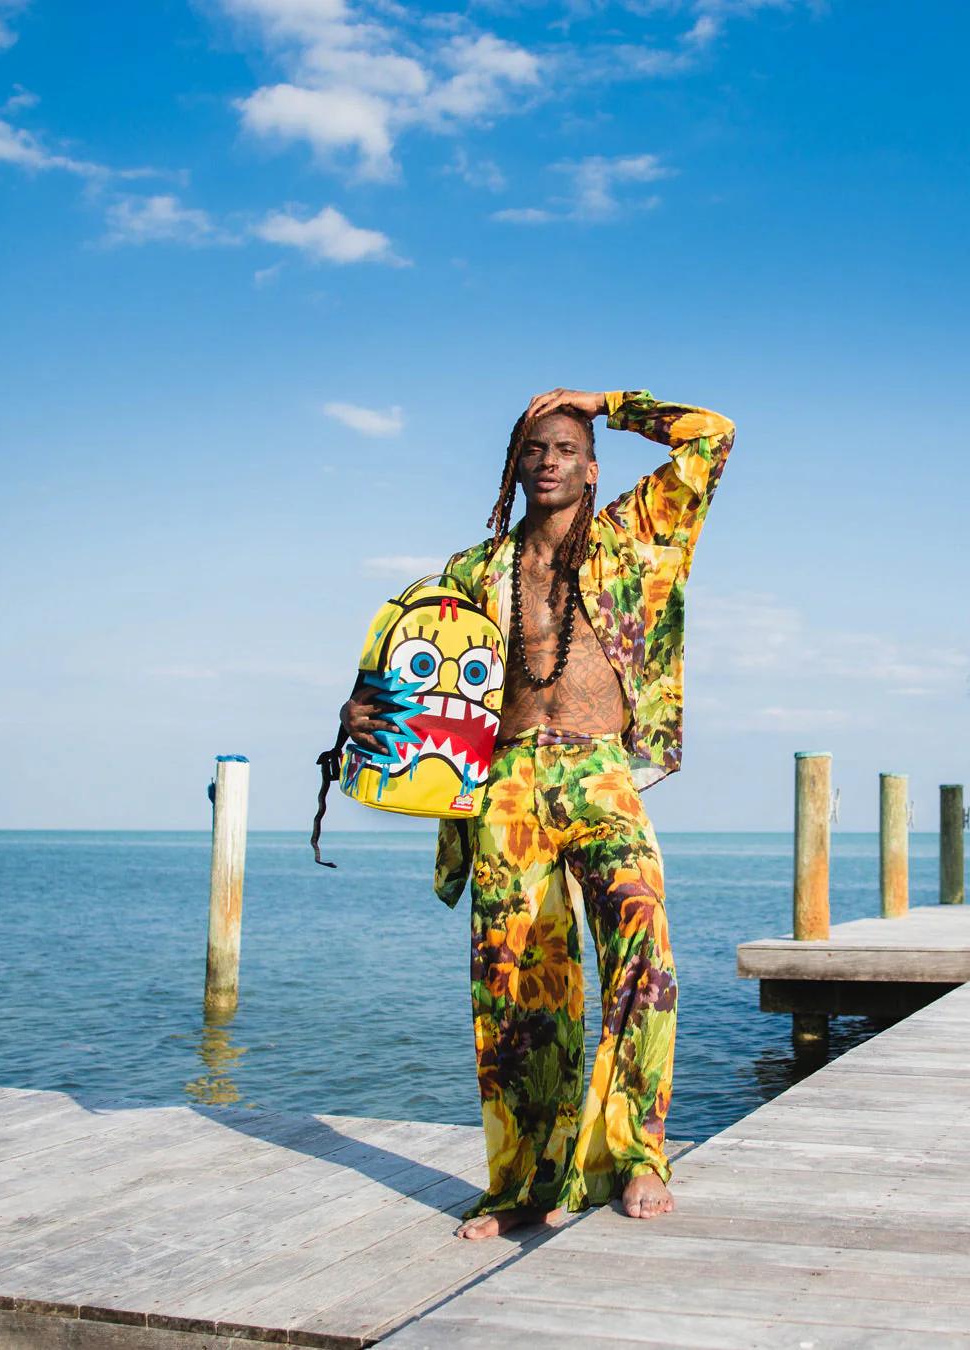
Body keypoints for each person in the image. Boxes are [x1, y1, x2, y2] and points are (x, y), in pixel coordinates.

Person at [341, 387, 735, 1240]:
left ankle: (634, 1155)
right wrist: (364, 709)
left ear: (592, 468)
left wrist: (606, 401)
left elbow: (712, 436)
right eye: (534, 449)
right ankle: (523, 1182)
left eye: (565, 449)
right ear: (515, 468)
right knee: (517, 985)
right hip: (508, 784)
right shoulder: (472, 572)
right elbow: (413, 663)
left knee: (643, 943)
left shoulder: (639, 534)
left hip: (599, 772)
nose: (549, 460)